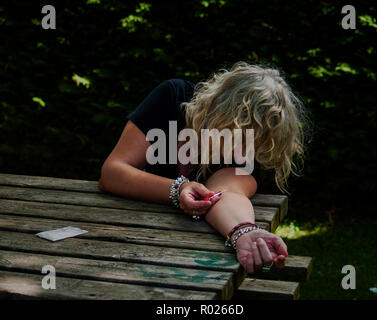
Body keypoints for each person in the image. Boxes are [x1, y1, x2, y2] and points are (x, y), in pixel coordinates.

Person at [98, 61, 308, 274]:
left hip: (179, 253)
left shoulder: (241, 153)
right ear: (222, 114)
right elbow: (112, 172)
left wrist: (243, 231)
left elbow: (227, 194)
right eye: (240, 139)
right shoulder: (172, 96)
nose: (243, 155)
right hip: (124, 231)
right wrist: (177, 189)